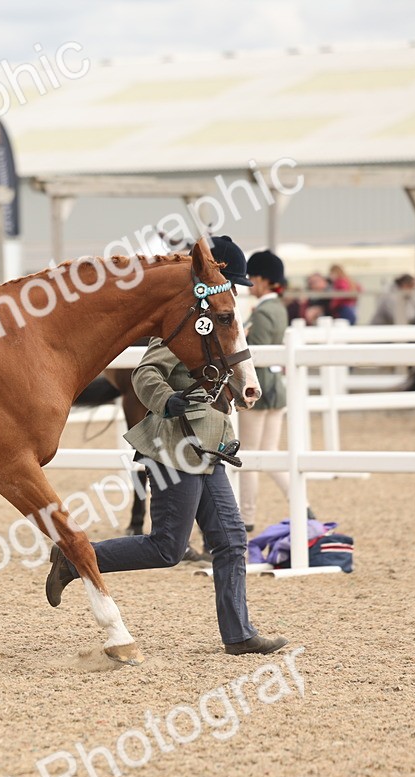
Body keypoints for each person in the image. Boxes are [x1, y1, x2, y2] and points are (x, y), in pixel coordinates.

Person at [45, 235, 289, 656]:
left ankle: (239, 634)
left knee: (231, 539)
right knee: (166, 547)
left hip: (208, 446)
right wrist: (168, 401)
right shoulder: (188, 322)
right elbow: (145, 376)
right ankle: (75, 558)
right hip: (175, 446)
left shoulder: (217, 323)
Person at [237, 251, 300, 531]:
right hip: (277, 388)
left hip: (260, 388)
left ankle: (247, 517)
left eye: (253, 278)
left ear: (263, 280)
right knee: (271, 453)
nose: (250, 283)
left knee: (249, 454)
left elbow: (255, 358)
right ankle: (300, 501)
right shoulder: (279, 308)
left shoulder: (262, 313)